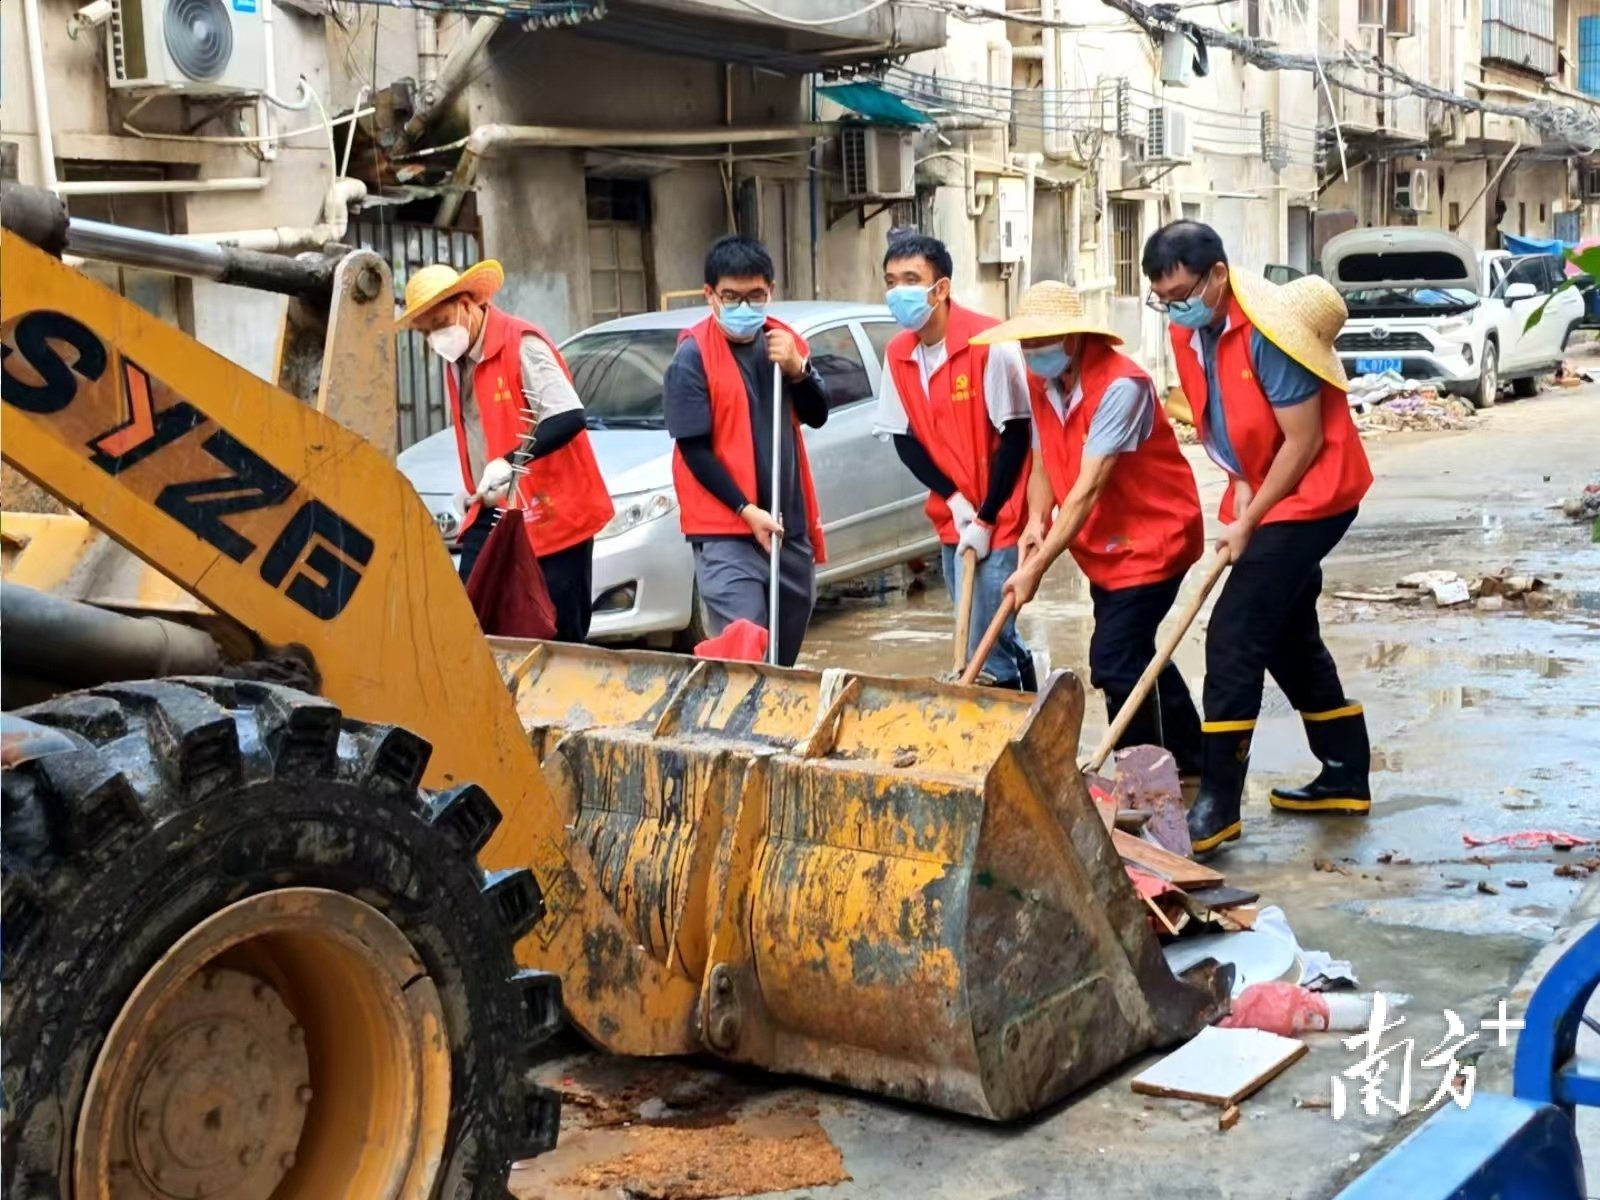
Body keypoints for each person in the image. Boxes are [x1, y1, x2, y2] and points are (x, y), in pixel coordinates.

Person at [1142, 220, 1374, 854]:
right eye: (1163, 299)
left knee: (1235, 632)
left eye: (1182, 294)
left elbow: (1303, 442)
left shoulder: (1270, 335)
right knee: (1287, 636)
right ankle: (1345, 772)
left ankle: (1217, 804)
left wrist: (1250, 519)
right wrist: (1240, 486)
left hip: (1316, 494)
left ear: (1217, 276)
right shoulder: (1191, 329)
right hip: (1266, 488)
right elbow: (1224, 423)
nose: (1174, 308)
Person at [975, 281, 1205, 777]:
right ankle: (1191, 757)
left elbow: (1087, 487)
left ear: (1073, 337)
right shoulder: (1042, 383)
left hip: (1155, 538)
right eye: (1026, 343)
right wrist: (1036, 519)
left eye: (1042, 341)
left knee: (1114, 659)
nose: (1032, 352)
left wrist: (1036, 567)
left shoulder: (1122, 386)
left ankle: (1143, 781)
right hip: (1103, 545)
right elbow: (1042, 461)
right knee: (1136, 652)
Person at [399, 259, 614, 643]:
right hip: (493, 507)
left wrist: (510, 463)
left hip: (554, 512)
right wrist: (474, 484)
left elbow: (568, 416)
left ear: (467, 304)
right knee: (473, 621)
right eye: (425, 331)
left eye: (441, 322)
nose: (435, 337)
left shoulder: (521, 343)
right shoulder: (457, 363)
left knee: (558, 635)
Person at [872, 234, 1036, 689]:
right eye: (890, 281)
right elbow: (904, 438)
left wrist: (986, 517)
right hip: (954, 516)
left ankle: (1007, 716)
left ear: (940, 288)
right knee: (981, 625)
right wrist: (954, 499)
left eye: (911, 280)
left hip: (1003, 512)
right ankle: (1034, 696)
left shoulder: (988, 342)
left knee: (986, 640)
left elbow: (1016, 435)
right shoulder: (899, 353)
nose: (898, 291)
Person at [662, 235, 830, 667]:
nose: (744, 307)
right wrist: (745, 509)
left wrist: (799, 370)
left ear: (770, 291)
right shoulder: (692, 357)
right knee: (746, 652)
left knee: (783, 659)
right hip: (728, 531)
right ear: (710, 295)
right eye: (731, 297)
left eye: (755, 296)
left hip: (787, 525)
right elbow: (694, 450)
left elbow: (817, 414)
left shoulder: (783, 343)